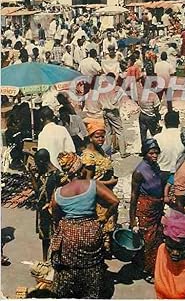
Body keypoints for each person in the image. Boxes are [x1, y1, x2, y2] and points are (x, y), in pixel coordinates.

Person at [50, 151, 119, 298]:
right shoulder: (93, 185)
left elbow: (56, 218)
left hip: (69, 235)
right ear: (81, 168)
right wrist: (104, 217)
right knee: (93, 265)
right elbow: (115, 201)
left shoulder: (58, 193)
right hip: (91, 231)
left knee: (69, 267)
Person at [81, 119, 118, 256]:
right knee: (100, 232)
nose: (101, 139)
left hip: (106, 196)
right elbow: (89, 183)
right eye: (97, 136)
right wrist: (110, 183)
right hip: (98, 199)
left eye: (103, 136)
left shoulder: (100, 151)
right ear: (90, 137)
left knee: (106, 232)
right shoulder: (89, 156)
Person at [129, 138, 164, 283]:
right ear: (145, 154)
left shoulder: (155, 166)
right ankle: (147, 270)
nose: (154, 156)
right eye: (151, 153)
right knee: (147, 240)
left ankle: (154, 267)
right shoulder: (139, 171)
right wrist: (132, 220)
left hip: (156, 208)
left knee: (157, 238)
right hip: (145, 209)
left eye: (156, 153)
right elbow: (133, 196)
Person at [28, 149, 65, 261]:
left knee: (56, 236)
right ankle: (45, 261)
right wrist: (31, 174)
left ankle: (56, 260)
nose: (36, 165)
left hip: (53, 211)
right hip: (42, 211)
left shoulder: (58, 175)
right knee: (44, 238)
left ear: (42, 161)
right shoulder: (43, 173)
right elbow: (37, 191)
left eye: (37, 162)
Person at [98, 73, 128, 158]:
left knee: (108, 132)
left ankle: (108, 151)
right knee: (119, 131)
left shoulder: (101, 88)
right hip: (113, 111)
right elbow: (115, 100)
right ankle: (123, 152)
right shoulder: (116, 89)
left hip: (104, 111)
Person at [155, 111, 185, 185]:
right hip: (179, 172)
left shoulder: (157, 138)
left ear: (165, 123)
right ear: (178, 122)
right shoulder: (184, 137)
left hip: (161, 172)